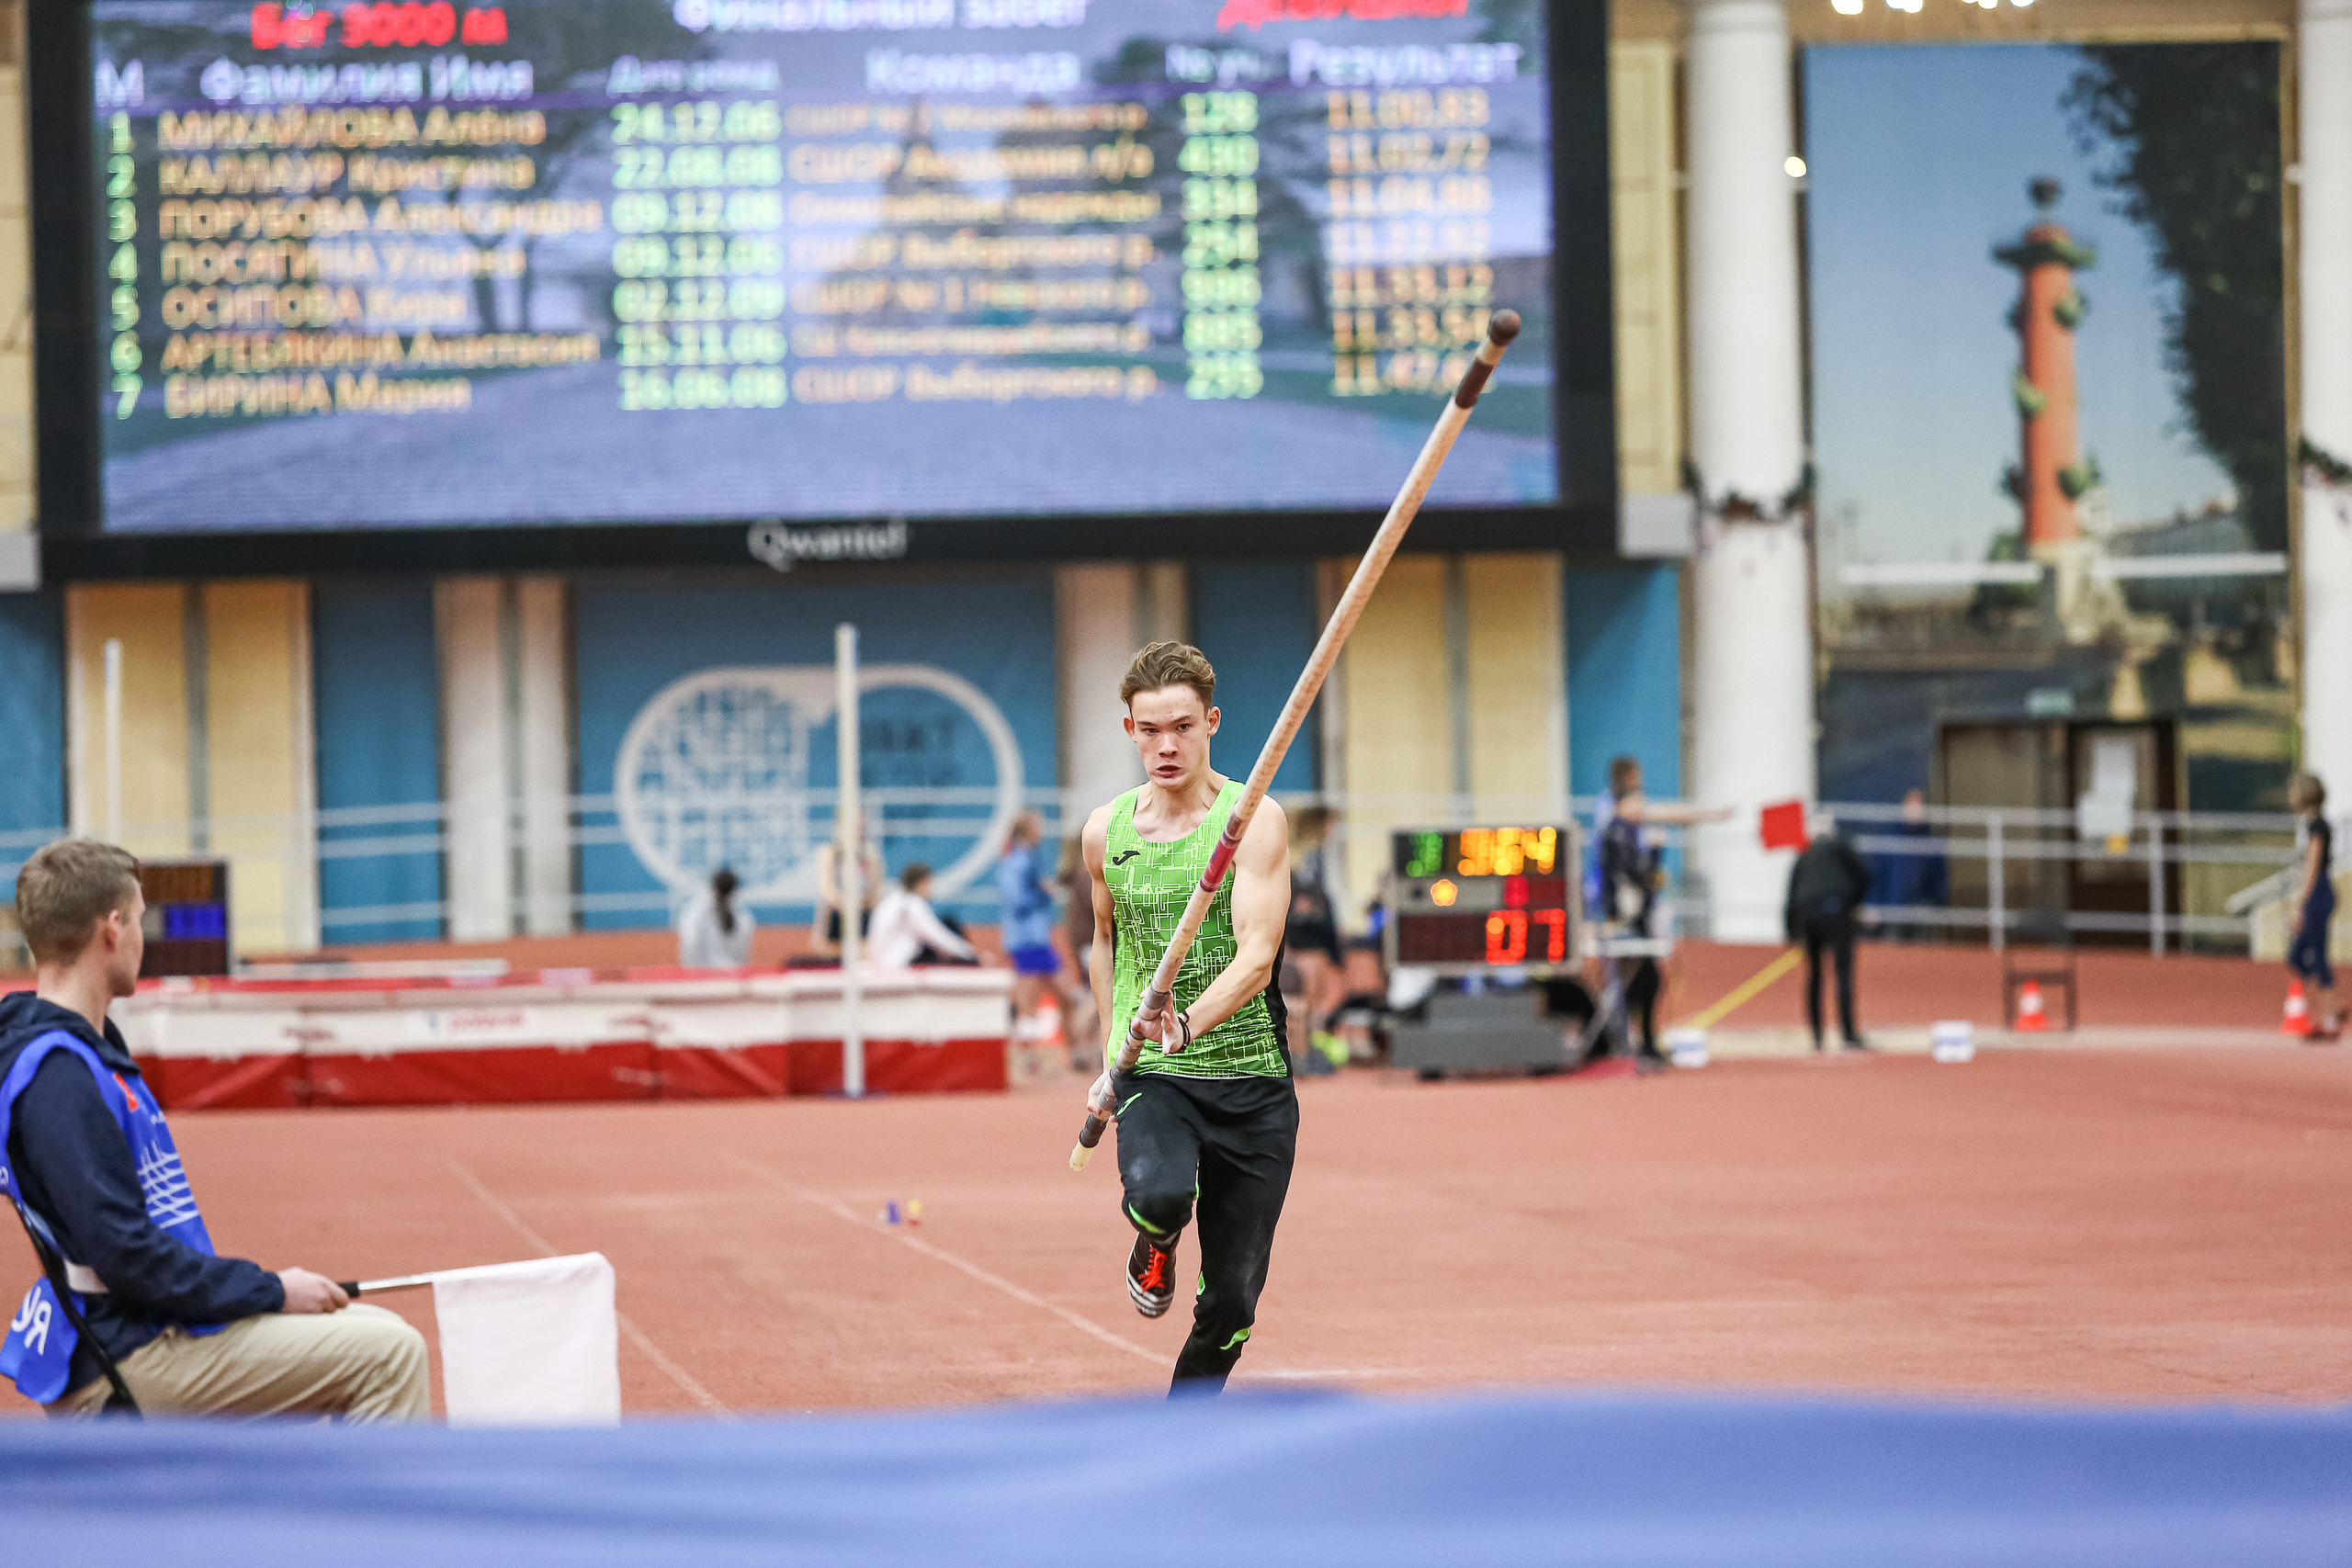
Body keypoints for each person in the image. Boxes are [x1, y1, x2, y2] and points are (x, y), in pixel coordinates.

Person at [0, 840, 428, 1420]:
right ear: (113, 929)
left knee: (364, 1329)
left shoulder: (72, 1052)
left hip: (132, 1326)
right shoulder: (60, 1076)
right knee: (391, 1355)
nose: (144, 939)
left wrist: (263, 1293)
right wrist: (271, 1290)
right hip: (125, 1352)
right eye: (140, 919)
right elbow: (126, 1256)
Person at [1080, 641, 1291, 1395]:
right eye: (1150, 730)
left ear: (1212, 723)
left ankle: (1183, 1426)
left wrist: (1190, 1020)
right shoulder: (1106, 830)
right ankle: (1156, 1240)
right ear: (1130, 731)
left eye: (1182, 727)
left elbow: (1257, 955)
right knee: (1159, 1195)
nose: (1166, 746)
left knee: (1232, 1303)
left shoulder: (1253, 820)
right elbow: (1105, 941)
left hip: (1250, 1077)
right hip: (1156, 1073)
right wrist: (1112, 1050)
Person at [1591, 757, 1730, 1065]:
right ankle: (1627, 1042)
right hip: (1622, 918)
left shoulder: (1625, 828)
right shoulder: (1615, 826)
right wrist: (1655, 852)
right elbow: (1635, 877)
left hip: (1633, 917)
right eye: (1637, 802)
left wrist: (1709, 816)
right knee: (1635, 981)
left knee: (1644, 980)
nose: (1643, 808)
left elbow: (1645, 877)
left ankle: (1640, 1042)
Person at [1785, 814, 1872, 1053]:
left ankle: (1817, 1038)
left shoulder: (1803, 855)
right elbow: (1864, 875)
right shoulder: (1840, 848)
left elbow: (1790, 896)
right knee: (1843, 973)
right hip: (1837, 912)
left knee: (1814, 976)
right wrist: (1852, 902)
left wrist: (1791, 933)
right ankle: (1849, 1036)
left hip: (1808, 917)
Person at [997, 813, 1073, 1074]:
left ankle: (1071, 1054)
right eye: (1037, 827)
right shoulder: (1017, 861)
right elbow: (1016, 900)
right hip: (1026, 940)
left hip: (1036, 938)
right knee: (1029, 1000)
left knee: (1062, 996)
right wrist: (1042, 892)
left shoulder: (1029, 858)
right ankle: (1028, 1060)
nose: (1041, 831)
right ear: (1027, 830)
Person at [1282, 806, 1348, 1071]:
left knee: (1314, 1005)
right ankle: (1299, 1053)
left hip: (1317, 943)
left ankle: (1306, 1050)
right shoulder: (1296, 860)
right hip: (1300, 945)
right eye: (1329, 826)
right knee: (1302, 1005)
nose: (1332, 831)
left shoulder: (1317, 859)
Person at [2288, 773, 2341, 1042]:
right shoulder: (2314, 824)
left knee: (2315, 954)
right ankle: (2327, 1008)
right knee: (2299, 955)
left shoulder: (2316, 826)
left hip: (2318, 891)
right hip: (2320, 890)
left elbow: (2313, 865)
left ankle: (2330, 1016)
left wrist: (2301, 902)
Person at [1867, 789, 1948, 942]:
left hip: (1922, 911)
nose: (1915, 811)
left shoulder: (1931, 840)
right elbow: (1878, 875)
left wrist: (1940, 905)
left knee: (1922, 952)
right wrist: (1872, 905)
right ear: (1904, 807)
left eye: (1919, 807)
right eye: (1911, 806)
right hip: (1893, 908)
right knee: (1893, 950)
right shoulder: (1889, 838)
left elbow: (1939, 877)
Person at [866, 863, 980, 969]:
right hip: (897, 966)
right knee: (949, 927)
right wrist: (970, 953)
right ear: (922, 884)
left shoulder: (891, 900)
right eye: (930, 884)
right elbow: (937, 936)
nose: (932, 889)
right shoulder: (913, 904)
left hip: (882, 963)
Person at [1057, 836, 1102, 1068]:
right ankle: (1082, 1051)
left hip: (1085, 944)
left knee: (1093, 998)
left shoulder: (1077, 876)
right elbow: (1100, 910)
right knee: (1094, 999)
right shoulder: (1086, 877)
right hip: (1091, 944)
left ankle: (1085, 1050)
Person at [813, 836, 883, 959]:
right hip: (837, 908)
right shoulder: (829, 853)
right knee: (833, 954)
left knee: (864, 952)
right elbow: (826, 889)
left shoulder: (869, 854)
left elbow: (875, 888)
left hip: (862, 907)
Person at [676, 866, 754, 969]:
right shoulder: (742, 916)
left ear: (712, 886)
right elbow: (743, 953)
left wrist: (691, 971)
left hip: (703, 974)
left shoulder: (697, 910)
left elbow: (690, 944)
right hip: (731, 973)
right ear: (734, 890)